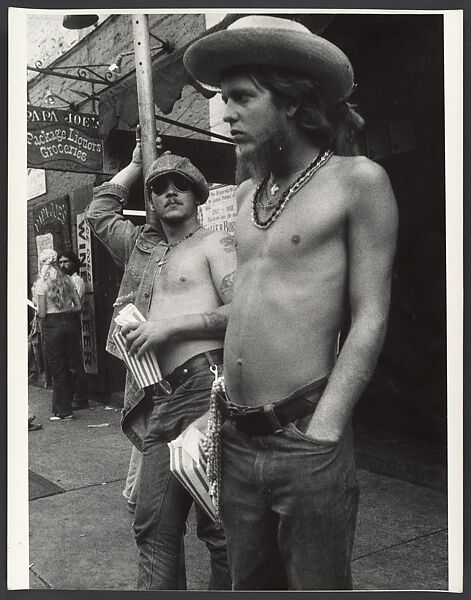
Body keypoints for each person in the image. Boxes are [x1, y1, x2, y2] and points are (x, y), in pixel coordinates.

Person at [184, 15, 398, 590]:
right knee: (247, 586)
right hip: (233, 432)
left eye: (240, 98)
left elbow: (371, 314)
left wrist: (326, 426)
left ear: (292, 102)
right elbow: (253, 307)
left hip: (304, 433)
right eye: (223, 98)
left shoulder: (359, 182)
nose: (225, 113)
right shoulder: (250, 192)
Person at [85, 131, 234, 590]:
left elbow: (243, 312)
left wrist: (166, 328)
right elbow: (99, 212)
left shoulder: (215, 243)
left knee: (220, 531)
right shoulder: (142, 249)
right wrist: (134, 166)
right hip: (156, 401)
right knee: (152, 527)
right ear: (149, 199)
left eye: (179, 185)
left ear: (197, 195)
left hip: (206, 394)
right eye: (158, 186)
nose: (169, 191)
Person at [33, 248, 82, 421]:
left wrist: (37, 309)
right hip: (69, 324)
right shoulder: (68, 280)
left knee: (57, 369)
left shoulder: (41, 284)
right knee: (69, 366)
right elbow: (78, 306)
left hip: (52, 326)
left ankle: (65, 411)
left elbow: (43, 314)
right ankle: (59, 407)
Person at [58, 250, 89, 410]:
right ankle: (71, 395)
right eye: (61, 262)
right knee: (65, 360)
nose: (63, 265)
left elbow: (73, 305)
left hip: (72, 321)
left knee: (74, 361)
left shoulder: (77, 281)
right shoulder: (63, 281)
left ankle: (81, 397)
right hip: (62, 323)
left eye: (66, 262)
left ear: (73, 263)